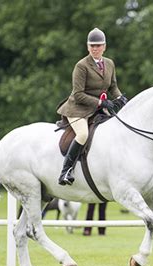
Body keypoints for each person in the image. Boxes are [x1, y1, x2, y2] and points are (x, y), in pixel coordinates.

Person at [56, 27, 126, 185]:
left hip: (98, 109)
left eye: (98, 45)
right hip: (78, 108)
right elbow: (78, 94)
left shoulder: (109, 63)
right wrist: (101, 102)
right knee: (82, 135)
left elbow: (113, 86)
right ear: (88, 47)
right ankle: (66, 171)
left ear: (104, 47)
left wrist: (120, 97)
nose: (95, 48)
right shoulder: (81, 66)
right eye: (92, 46)